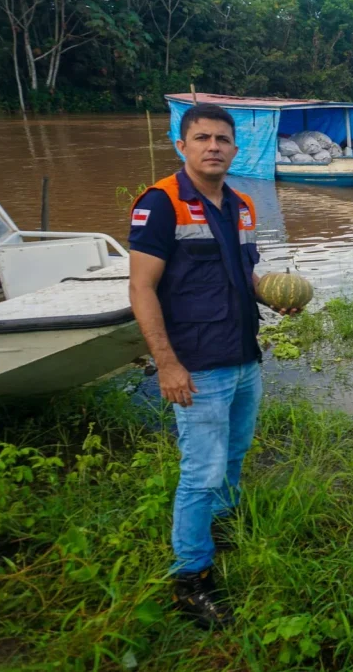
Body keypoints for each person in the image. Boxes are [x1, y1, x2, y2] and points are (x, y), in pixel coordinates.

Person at [128, 103, 298, 628]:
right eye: (201, 137)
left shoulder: (241, 206)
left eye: (222, 139)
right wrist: (166, 364)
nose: (213, 147)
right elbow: (141, 288)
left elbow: (244, 276)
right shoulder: (161, 205)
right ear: (182, 145)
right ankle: (190, 579)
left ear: (235, 147)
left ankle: (220, 529)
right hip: (197, 363)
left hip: (244, 354)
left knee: (235, 455)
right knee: (200, 472)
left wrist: (273, 298)